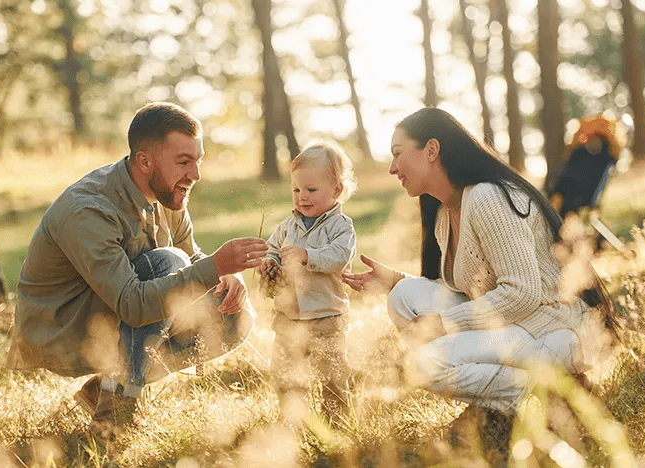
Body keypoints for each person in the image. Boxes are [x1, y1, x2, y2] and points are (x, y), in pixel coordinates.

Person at [7, 102, 268, 431]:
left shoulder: (168, 193)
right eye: (184, 162)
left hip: (119, 314)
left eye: (197, 161)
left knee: (235, 316)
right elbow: (133, 303)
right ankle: (112, 417)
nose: (196, 175)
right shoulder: (88, 209)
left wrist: (225, 275)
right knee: (167, 261)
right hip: (64, 329)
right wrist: (214, 265)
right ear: (145, 161)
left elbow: (193, 257)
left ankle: (102, 390)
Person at [341, 107, 612, 419]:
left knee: (423, 365)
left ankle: (549, 396)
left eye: (397, 153)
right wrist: (395, 280)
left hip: (551, 330)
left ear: (431, 150)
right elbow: (473, 288)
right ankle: (498, 398)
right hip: (513, 326)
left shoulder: (487, 198)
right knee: (403, 297)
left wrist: (443, 324)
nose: (392, 168)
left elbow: (522, 293)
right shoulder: (446, 211)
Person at [257, 142, 357, 424]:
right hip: (289, 315)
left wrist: (306, 256)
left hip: (326, 317)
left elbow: (338, 257)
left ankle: (338, 422)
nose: (302, 197)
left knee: (332, 374)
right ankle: (292, 421)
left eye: (311, 190)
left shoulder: (341, 227)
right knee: (286, 372)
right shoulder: (287, 226)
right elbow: (272, 248)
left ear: (336, 190)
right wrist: (269, 263)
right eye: (297, 190)